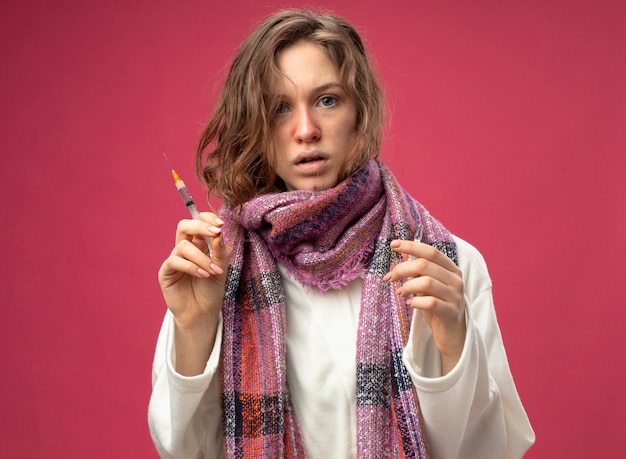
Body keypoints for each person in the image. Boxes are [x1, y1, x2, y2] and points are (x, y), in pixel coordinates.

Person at [148, 9, 535, 459]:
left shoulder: (446, 264)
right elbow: (181, 450)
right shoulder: (218, 265)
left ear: (360, 112)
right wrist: (193, 327)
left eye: (327, 100)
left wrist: (455, 345)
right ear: (254, 126)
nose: (306, 130)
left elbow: (491, 451)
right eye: (279, 108)